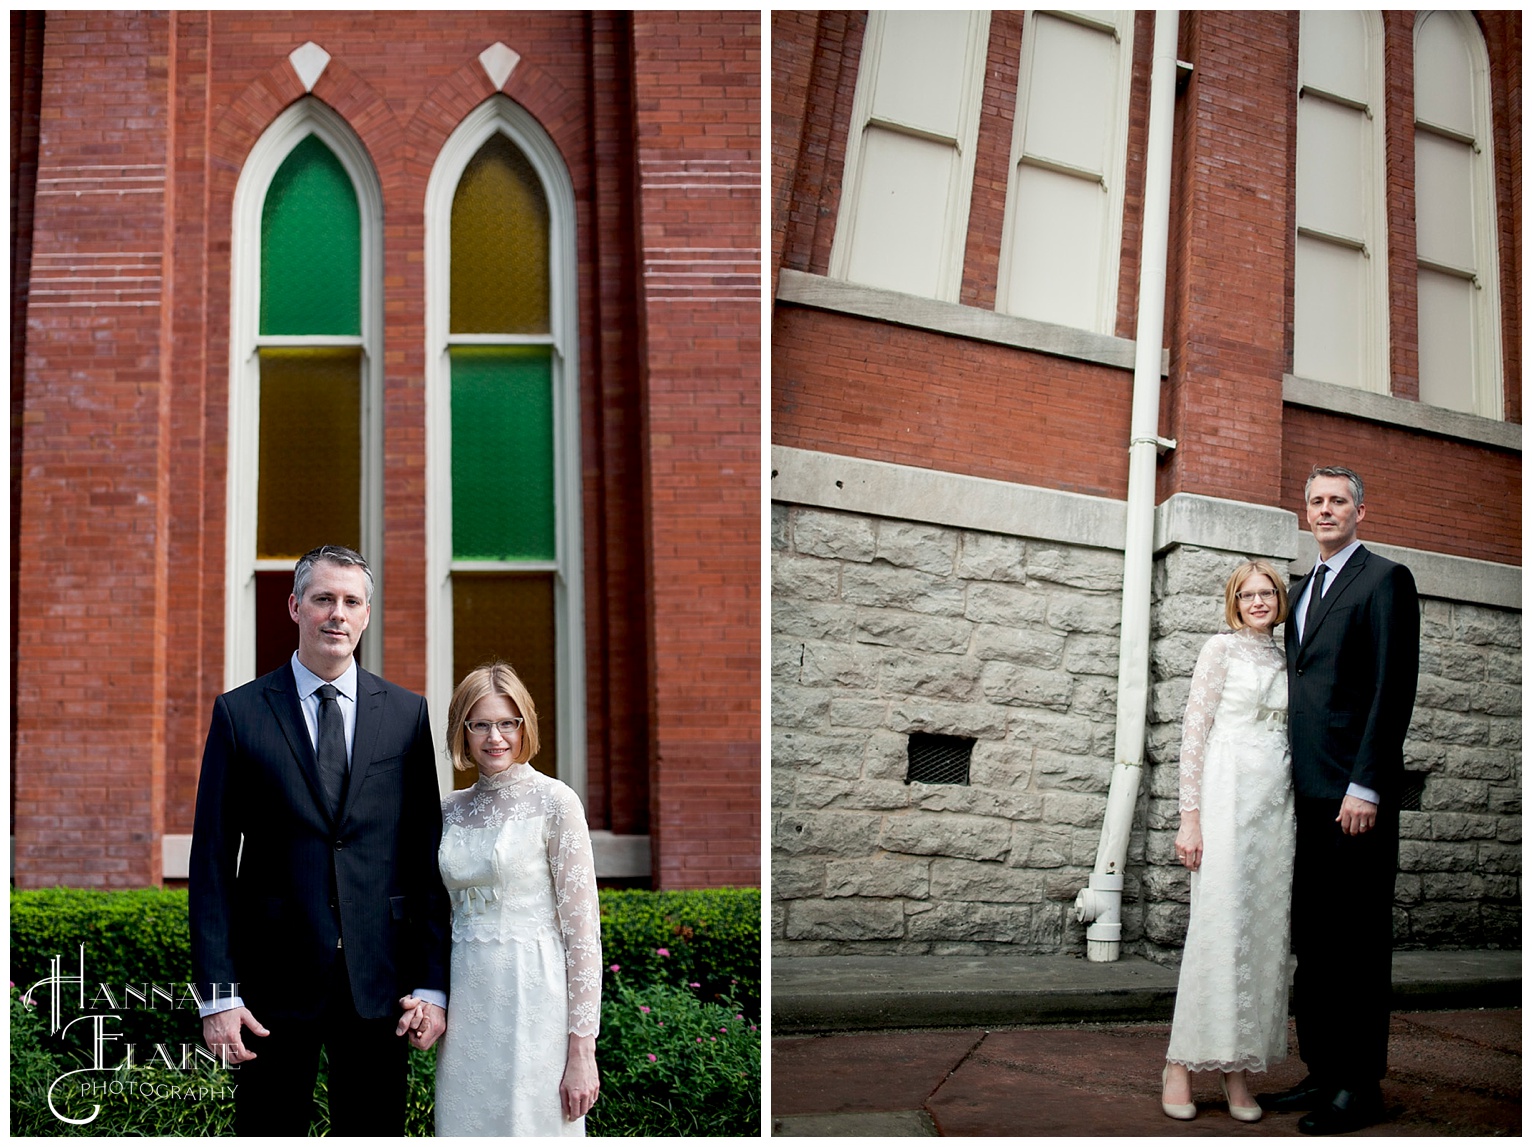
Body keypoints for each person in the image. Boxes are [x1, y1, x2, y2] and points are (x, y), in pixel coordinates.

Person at [189, 544, 451, 1136]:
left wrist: (432, 984)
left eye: (351, 601)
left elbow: (423, 858)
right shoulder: (240, 713)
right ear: (295, 607)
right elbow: (210, 864)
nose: (337, 613)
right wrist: (218, 996)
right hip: (271, 986)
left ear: (365, 614)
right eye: (323, 599)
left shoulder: (406, 714)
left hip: (380, 984)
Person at [1260, 466, 1419, 1135]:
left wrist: (1367, 783)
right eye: (1316, 501)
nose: (1325, 510)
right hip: (1302, 794)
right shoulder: (1300, 588)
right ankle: (1323, 1071)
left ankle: (1361, 1084)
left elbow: (1392, 688)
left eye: (1337, 500)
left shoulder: (1385, 580)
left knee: (1356, 943)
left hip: (1355, 798)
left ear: (1361, 508)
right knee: (1316, 942)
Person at [421, 661, 602, 1136]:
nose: (494, 737)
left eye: (507, 723)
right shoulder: (447, 811)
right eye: (480, 724)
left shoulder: (556, 802)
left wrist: (583, 1050)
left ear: (525, 726)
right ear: (462, 730)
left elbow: (583, 937)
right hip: (466, 1003)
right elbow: (431, 917)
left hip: (536, 996)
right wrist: (428, 997)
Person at [1161, 559, 1295, 1124]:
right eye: (1248, 594)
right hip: (1225, 794)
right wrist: (1189, 818)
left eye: (1268, 593)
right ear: (1234, 601)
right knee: (1218, 929)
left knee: (1262, 938)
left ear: (1280, 600)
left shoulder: (1289, 657)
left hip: (1276, 805)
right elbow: (1195, 732)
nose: (1259, 601)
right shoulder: (1220, 650)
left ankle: (1238, 1073)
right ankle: (1180, 1065)